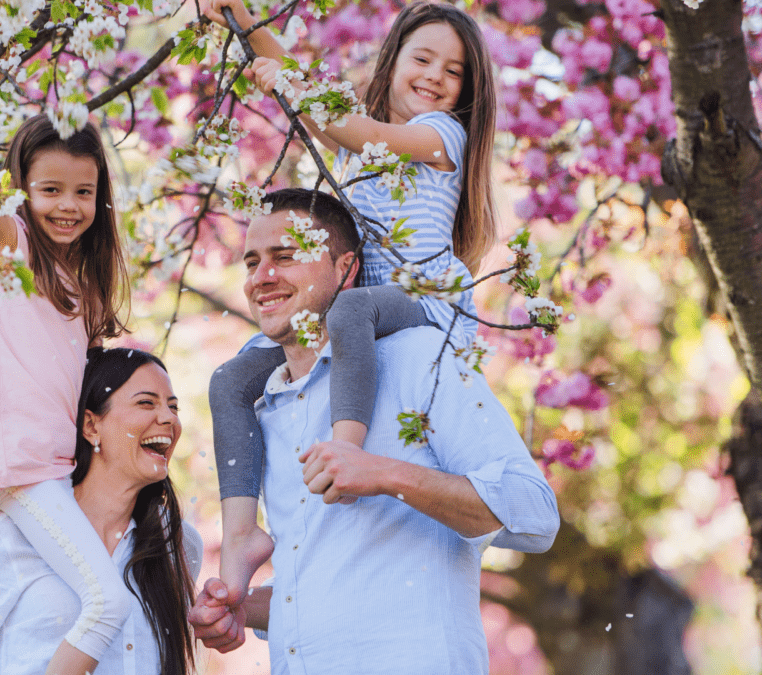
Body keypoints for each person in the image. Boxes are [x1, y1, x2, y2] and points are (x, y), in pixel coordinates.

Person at [189, 188, 559, 674]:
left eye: (286, 256)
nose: (263, 277)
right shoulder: (264, 410)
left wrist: (385, 474)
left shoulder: (414, 357)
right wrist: (240, 609)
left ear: (346, 268)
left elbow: (534, 512)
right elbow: (331, 584)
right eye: (252, 262)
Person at [203, 0, 501, 604]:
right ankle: (240, 536)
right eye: (422, 59)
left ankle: (347, 447)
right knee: (234, 377)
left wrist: (287, 83)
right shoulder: (348, 153)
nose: (435, 77)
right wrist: (243, 19)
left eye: (454, 72)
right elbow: (332, 116)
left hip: (425, 301)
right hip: (366, 304)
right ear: (392, 64)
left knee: (348, 312)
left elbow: (356, 130)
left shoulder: (442, 135)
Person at [0, 71, 132, 675]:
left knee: (73, 591)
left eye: (83, 193)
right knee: (104, 601)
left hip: (58, 470)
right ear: (21, 192)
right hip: (22, 467)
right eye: (50, 190)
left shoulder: (85, 286)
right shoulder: (10, 251)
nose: (68, 207)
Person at [0, 347, 200, 675]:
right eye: (146, 402)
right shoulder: (7, 539)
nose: (168, 419)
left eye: (173, 407)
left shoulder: (178, 544)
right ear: (91, 426)